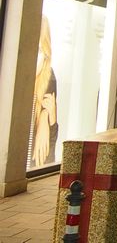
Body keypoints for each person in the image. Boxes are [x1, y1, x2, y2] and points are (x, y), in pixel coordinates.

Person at [31, 15, 58, 168]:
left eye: (40, 51)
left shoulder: (49, 79)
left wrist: (47, 118)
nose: (35, 59)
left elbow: (47, 153)